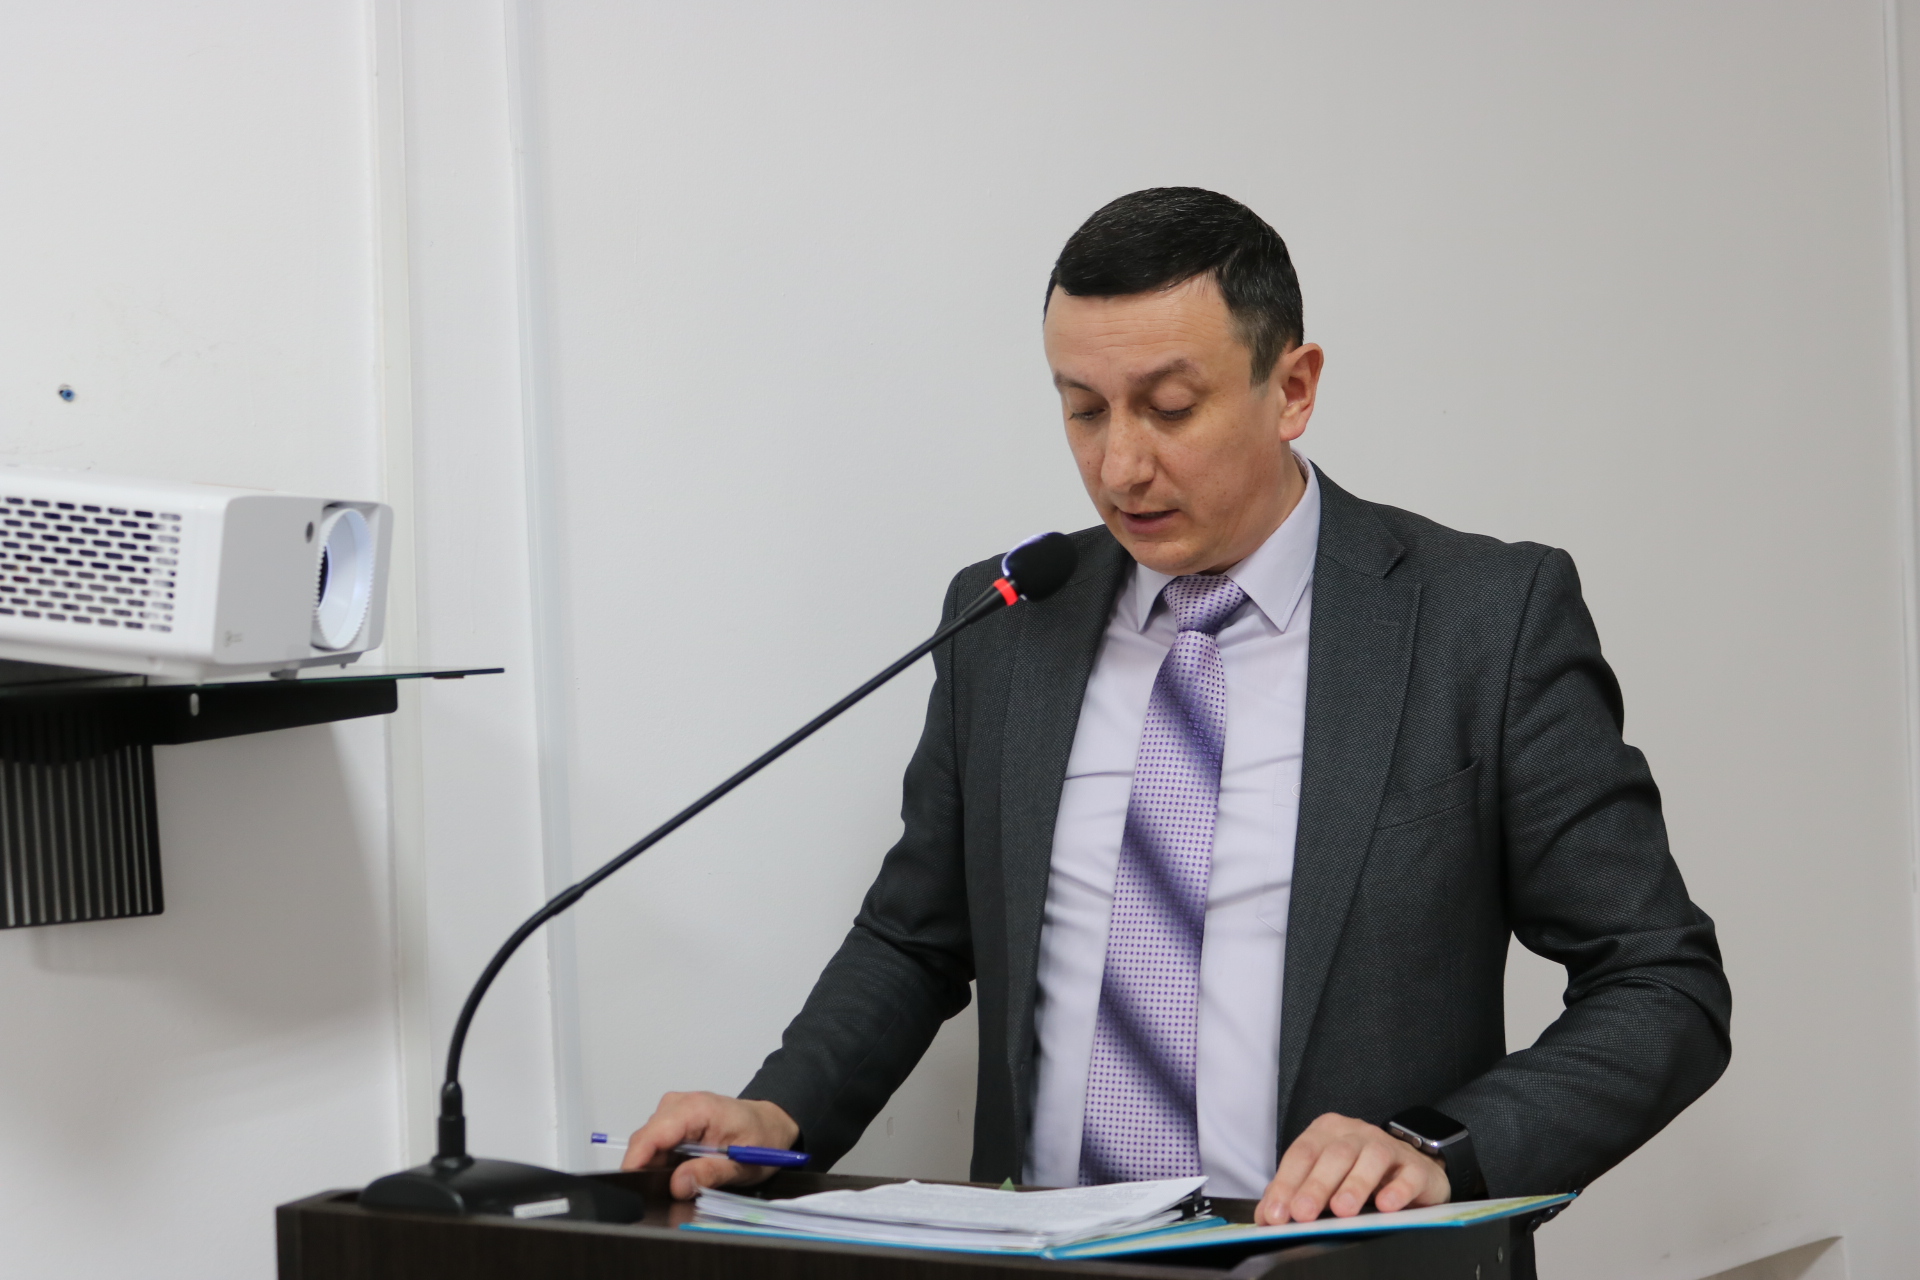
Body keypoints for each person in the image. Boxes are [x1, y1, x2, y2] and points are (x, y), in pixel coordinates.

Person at [624, 187, 1731, 1226]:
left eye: (1169, 408)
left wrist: (1441, 1146)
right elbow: (914, 939)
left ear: (1292, 389)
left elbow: (1660, 981)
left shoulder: (1481, 621)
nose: (1119, 466)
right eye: (1082, 410)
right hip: (1044, 1248)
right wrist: (779, 1113)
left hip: (1349, 1257)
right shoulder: (1007, 620)